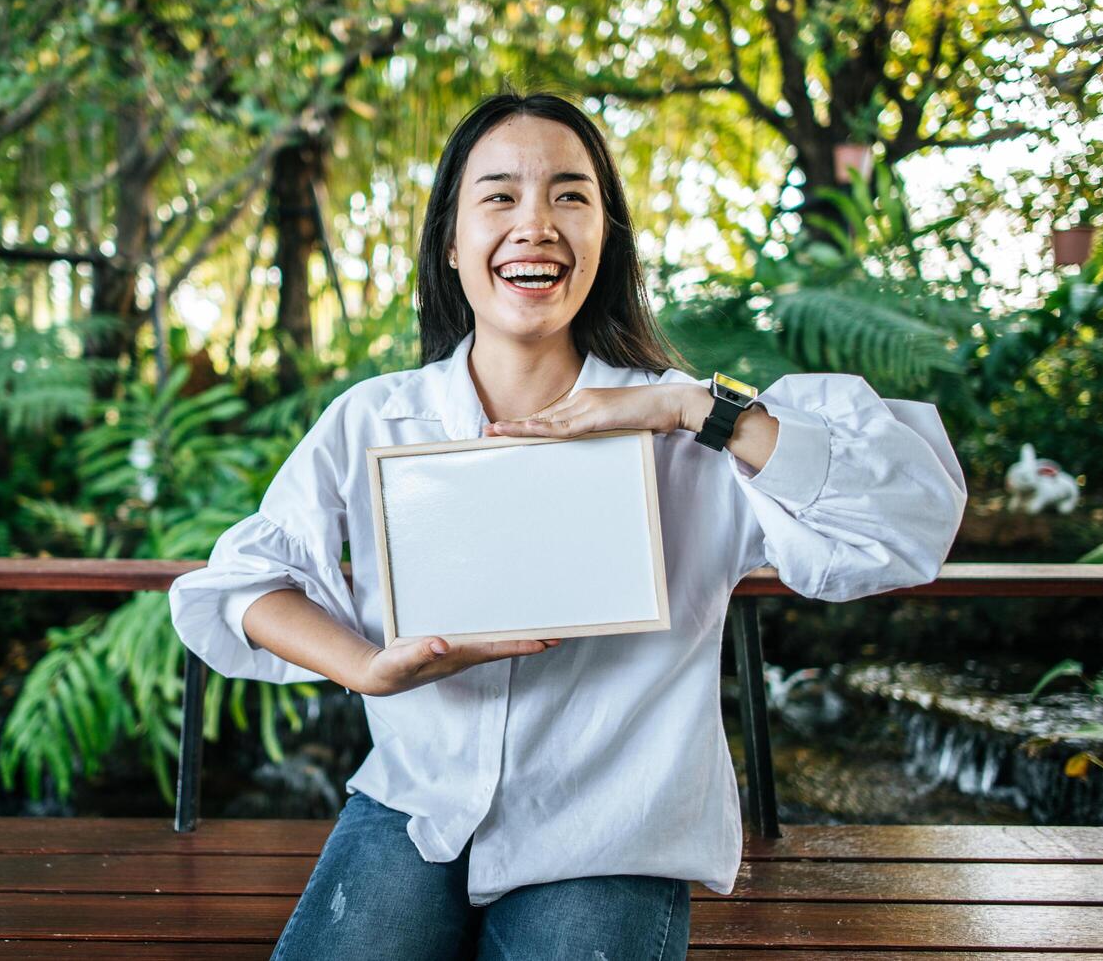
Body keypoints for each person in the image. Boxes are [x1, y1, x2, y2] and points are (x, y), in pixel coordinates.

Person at [168, 92, 967, 960]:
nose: (535, 223)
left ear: (605, 241)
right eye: (500, 195)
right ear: (451, 240)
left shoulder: (690, 431)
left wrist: (684, 406)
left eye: (570, 195)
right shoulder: (373, 420)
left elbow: (906, 521)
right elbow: (242, 581)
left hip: (608, 833)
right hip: (415, 804)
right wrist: (370, 670)